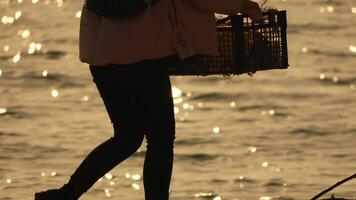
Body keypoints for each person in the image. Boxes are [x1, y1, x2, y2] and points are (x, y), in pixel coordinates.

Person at [34, 0, 263, 199]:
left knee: (127, 137)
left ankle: (66, 194)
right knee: (161, 139)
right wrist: (242, 5)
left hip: (101, 55)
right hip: (144, 54)